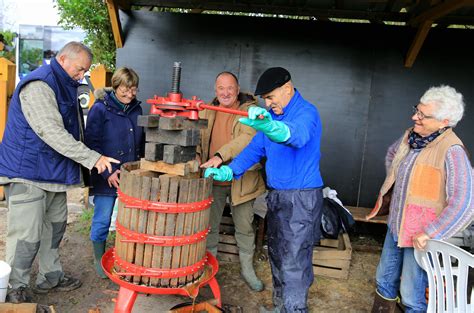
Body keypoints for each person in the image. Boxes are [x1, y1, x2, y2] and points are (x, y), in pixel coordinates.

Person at [0, 41, 119, 303]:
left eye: (85, 71)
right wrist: (92, 159)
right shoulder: (40, 85)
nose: (82, 75)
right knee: (26, 235)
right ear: (63, 59)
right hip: (26, 172)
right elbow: (50, 132)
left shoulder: (66, 84)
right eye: (79, 69)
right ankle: (14, 288)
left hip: (52, 172)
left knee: (54, 227)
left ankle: (50, 276)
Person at [205, 67, 324, 312]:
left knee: (294, 262)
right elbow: (253, 149)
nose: (267, 103)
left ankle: (294, 309)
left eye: (271, 97)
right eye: (266, 98)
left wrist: (273, 128)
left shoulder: (306, 112)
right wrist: (231, 170)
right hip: (278, 196)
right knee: (278, 255)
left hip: (301, 199)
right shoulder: (272, 117)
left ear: (288, 89)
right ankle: (281, 307)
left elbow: (297, 136)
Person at [367, 85, 474, 312]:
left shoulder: (452, 151)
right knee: (384, 282)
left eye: (423, 115)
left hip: (421, 237)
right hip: (397, 227)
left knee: (412, 295)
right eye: (417, 110)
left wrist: (431, 233)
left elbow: (465, 204)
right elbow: (392, 155)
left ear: (444, 121)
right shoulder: (411, 137)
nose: (414, 116)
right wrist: (396, 185)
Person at [198, 72, 266, 291]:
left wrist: (219, 156)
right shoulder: (209, 110)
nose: (225, 93)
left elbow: (246, 139)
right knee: (210, 226)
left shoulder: (250, 112)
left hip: (243, 180)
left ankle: (247, 269)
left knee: (245, 227)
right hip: (214, 181)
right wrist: (199, 156)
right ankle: (210, 269)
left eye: (230, 88)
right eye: (221, 88)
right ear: (215, 90)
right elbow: (200, 138)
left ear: (237, 90)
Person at [85, 67, 144, 278]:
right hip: (106, 175)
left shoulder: (137, 109)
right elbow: (91, 143)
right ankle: (98, 259)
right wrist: (107, 172)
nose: (129, 95)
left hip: (131, 175)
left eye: (134, 90)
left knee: (129, 220)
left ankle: (123, 256)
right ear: (115, 87)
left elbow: (141, 143)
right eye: (124, 91)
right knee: (102, 218)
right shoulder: (100, 108)